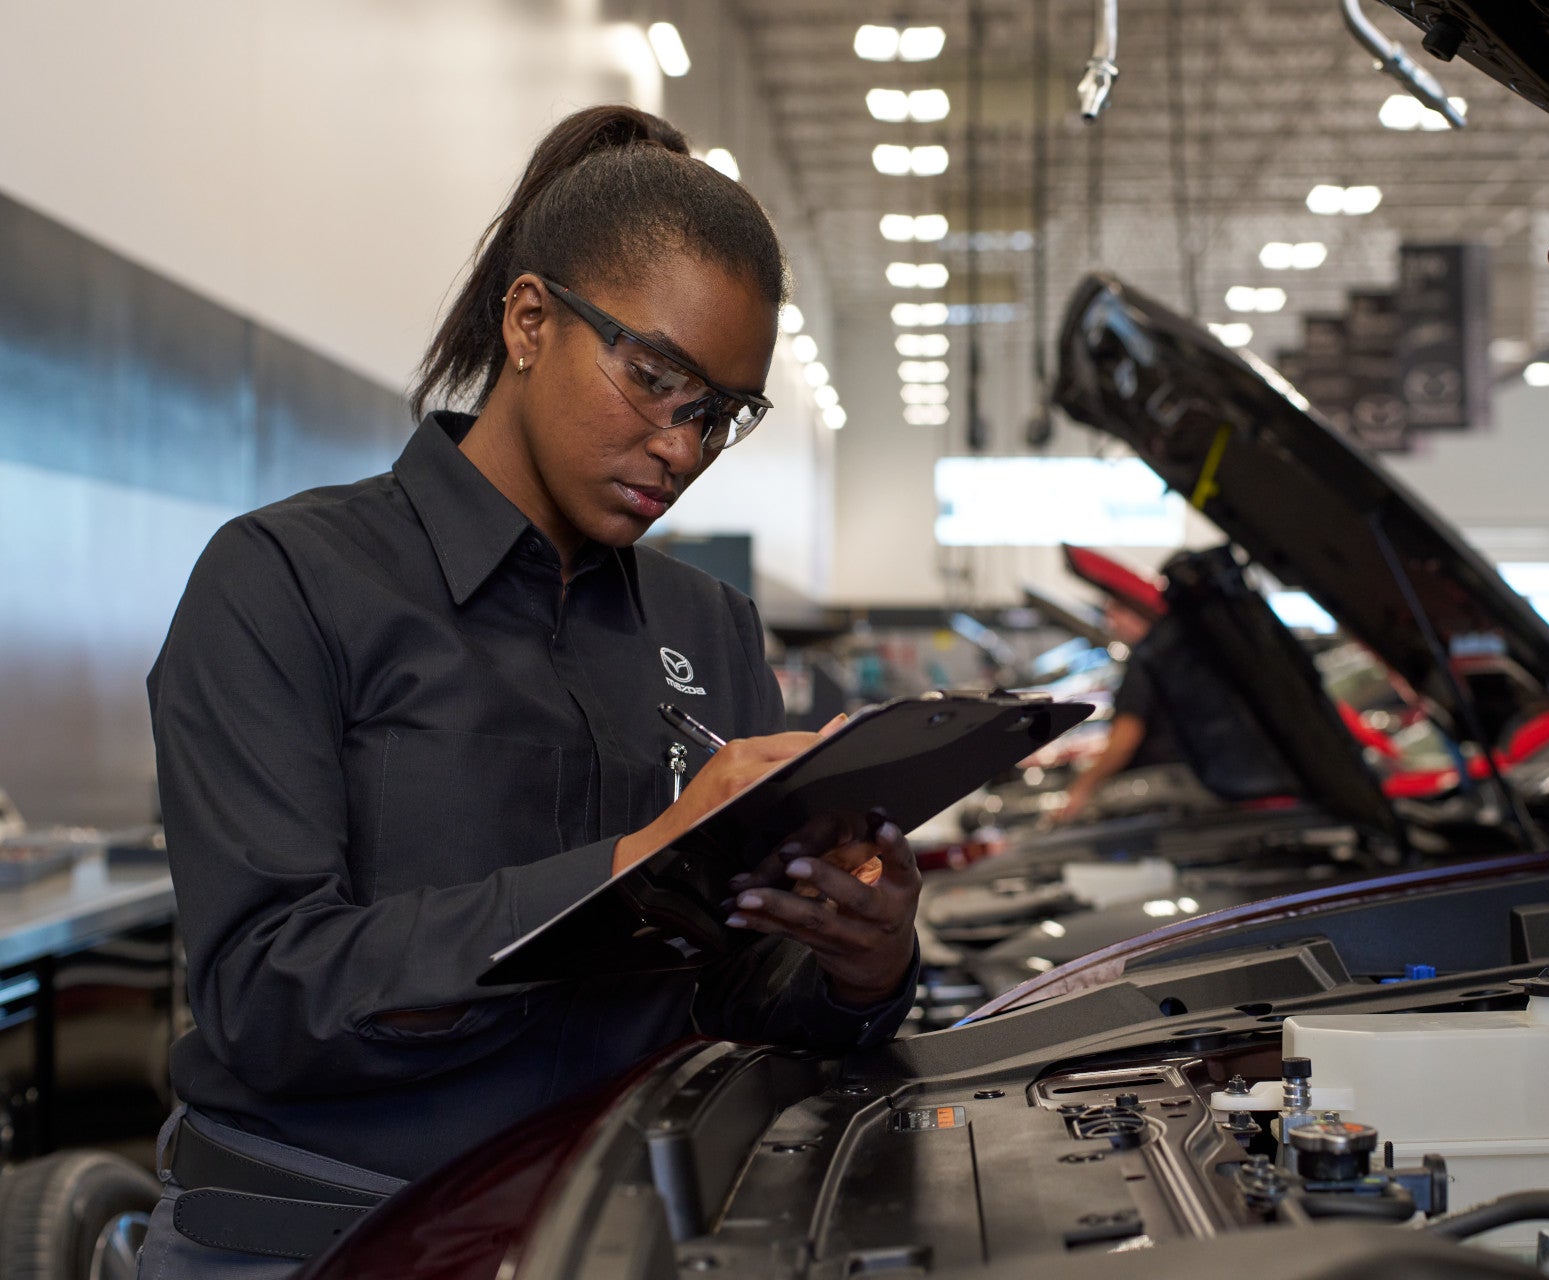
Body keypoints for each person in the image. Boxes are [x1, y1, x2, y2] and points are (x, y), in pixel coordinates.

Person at [137, 106, 920, 1278]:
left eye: (721, 413)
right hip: (328, 1230)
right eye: (656, 378)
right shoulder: (287, 582)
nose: (682, 444)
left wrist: (861, 967)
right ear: (530, 320)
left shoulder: (710, 626)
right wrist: (627, 864)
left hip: (623, 1217)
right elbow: (269, 992)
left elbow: (746, 995)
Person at [1057, 598, 1190, 822]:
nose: (1111, 620)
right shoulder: (1171, 658)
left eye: (1118, 609)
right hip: (1182, 778)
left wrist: (1081, 788)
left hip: (1161, 784)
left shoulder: (1144, 662)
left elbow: (1125, 739)